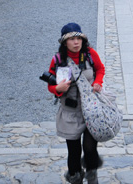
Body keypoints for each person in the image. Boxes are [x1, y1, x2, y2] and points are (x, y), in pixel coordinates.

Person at [46, 23, 105, 184]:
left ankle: (92, 174)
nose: (76, 42)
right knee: (74, 151)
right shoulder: (58, 60)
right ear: (65, 42)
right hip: (70, 112)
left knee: (90, 147)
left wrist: (98, 82)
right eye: (72, 39)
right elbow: (50, 85)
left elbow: (100, 69)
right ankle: (75, 177)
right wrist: (58, 88)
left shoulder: (90, 54)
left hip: (91, 109)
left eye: (78, 38)